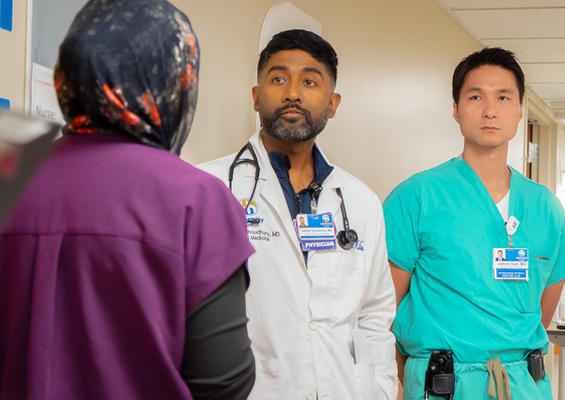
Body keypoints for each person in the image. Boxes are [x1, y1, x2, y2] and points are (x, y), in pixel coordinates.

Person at [0, 1, 256, 399]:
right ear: (177, 83)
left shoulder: (10, 179)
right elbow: (224, 381)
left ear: (68, 76)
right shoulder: (196, 199)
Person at [199, 29, 397, 400]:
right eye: (278, 79)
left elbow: (374, 313)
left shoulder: (360, 200)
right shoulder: (208, 188)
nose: (292, 92)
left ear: (333, 103)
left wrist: (379, 388)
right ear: (256, 98)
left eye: (309, 80)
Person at [384, 47, 565, 400]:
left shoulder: (546, 208)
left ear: (519, 111)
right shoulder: (417, 197)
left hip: (524, 385)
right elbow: (381, 309)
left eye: (503, 97)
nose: (490, 110)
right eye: (475, 96)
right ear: (455, 109)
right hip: (441, 386)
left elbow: (540, 313)